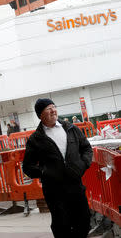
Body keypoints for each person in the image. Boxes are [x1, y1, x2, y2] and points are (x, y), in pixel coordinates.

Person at [23, 98, 93, 238]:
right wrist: (45, 172)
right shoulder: (35, 139)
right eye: (48, 109)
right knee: (62, 224)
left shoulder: (71, 129)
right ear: (40, 115)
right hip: (54, 189)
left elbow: (86, 148)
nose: (53, 110)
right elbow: (27, 167)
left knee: (84, 220)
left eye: (54, 107)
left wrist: (83, 164)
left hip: (75, 184)